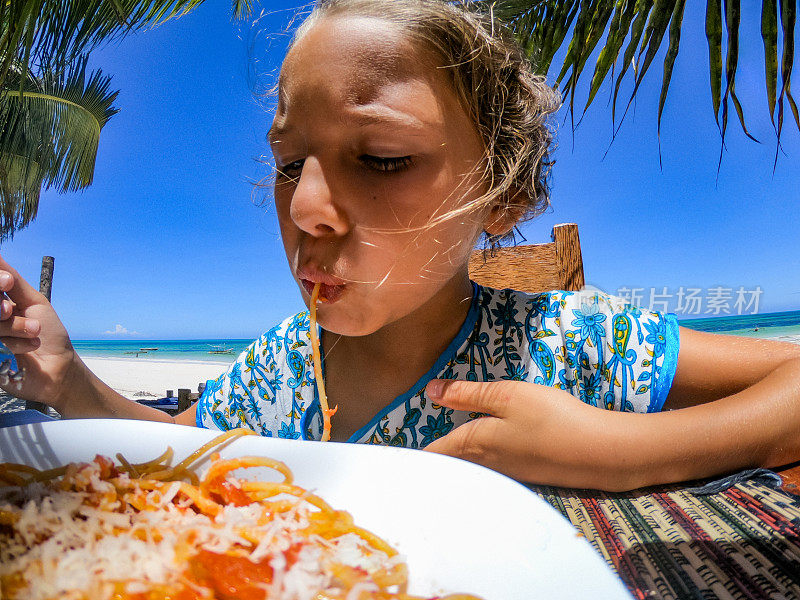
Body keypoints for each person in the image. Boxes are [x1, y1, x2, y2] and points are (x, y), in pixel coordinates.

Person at [2, 0, 799, 492]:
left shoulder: (570, 343)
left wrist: (626, 449)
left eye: (381, 158)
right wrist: (71, 380)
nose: (306, 207)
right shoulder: (284, 365)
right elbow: (184, 446)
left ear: (502, 194)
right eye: (287, 164)